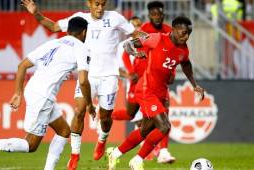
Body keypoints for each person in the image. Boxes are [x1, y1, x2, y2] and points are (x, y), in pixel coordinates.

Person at [21, 0, 143, 169]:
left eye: (103, 4)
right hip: (88, 74)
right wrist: (35, 13)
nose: (100, 8)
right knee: (79, 111)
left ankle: (102, 139)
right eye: (97, 4)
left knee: (106, 118)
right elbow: (54, 27)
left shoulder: (115, 18)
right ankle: (75, 154)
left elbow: (135, 33)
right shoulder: (79, 19)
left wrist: (151, 41)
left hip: (109, 76)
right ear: (89, 3)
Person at [0, 16, 96, 170]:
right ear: (84, 32)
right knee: (31, 144)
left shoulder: (54, 42)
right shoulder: (81, 48)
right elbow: (83, 81)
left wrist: (18, 93)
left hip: (33, 89)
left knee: (64, 131)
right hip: (43, 96)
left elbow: (22, 65)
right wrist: (89, 104)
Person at [107, 16, 205, 170]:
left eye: (188, 34)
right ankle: (138, 160)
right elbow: (128, 45)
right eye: (183, 33)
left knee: (145, 131)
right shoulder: (156, 38)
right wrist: (135, 53)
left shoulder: (183, 49)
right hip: (146, 89)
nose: (185, 37)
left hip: (161, 92)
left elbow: (186, 63)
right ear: (173, 30)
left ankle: (115, 154)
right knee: (165, 126)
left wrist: (194, 85)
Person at [111, 1, 175, 163]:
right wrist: (132, 69)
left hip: (160, 82)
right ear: (149, 15)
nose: (157, 17)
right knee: (133, 115)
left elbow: (174, 56)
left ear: (163, 14)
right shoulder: (144, 31)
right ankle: (105, 116)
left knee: (158, 120)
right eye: (154, 14)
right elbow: (127, 49)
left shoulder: (169, 31)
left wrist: (172, 72)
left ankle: (162, 152)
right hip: (142, 81)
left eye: (159, 13)